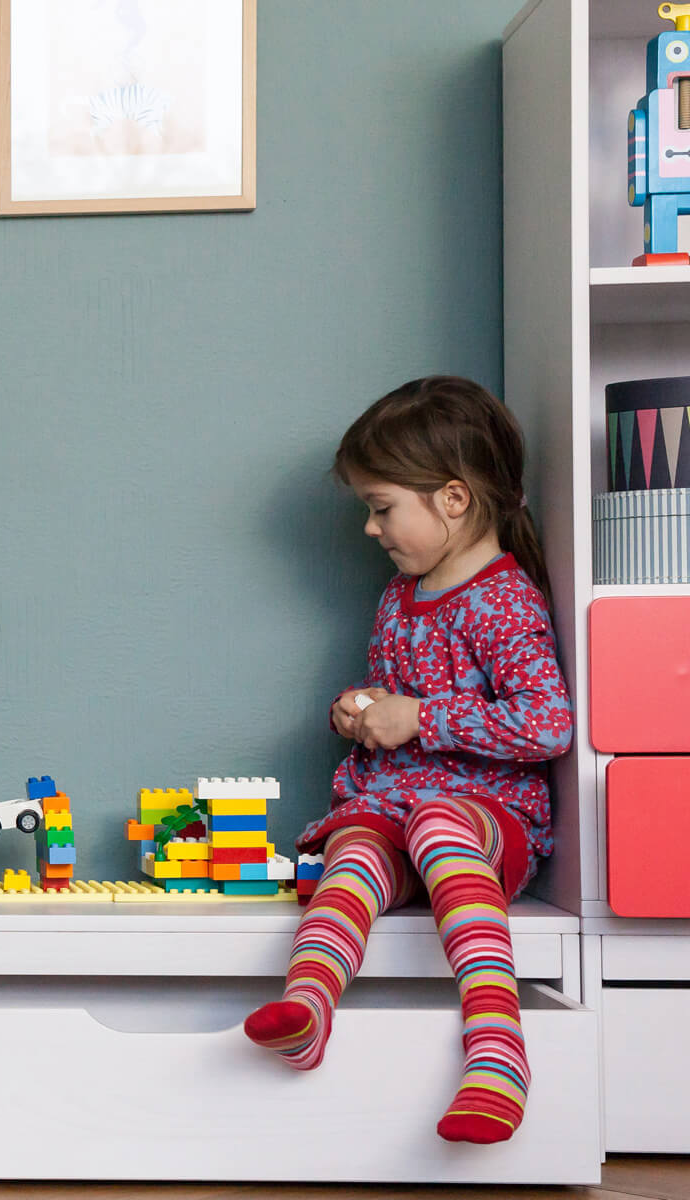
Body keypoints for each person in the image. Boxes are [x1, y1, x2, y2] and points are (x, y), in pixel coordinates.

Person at [244, 377, 572, 1145]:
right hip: (399, 812)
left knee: (435, 822)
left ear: (453, 500)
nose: (369, 527)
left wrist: (419, 717)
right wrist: (362, 712)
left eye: (382, 506)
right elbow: (400, 701)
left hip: (487, 824)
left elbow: (546, 723)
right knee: (352, 847)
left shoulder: (504, 599)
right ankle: (310, 1005)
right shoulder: (402, 595)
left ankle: (497, 1050)